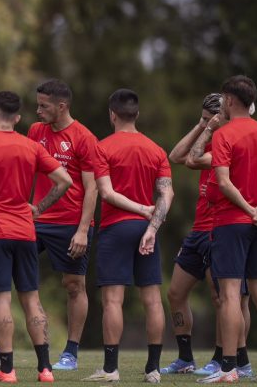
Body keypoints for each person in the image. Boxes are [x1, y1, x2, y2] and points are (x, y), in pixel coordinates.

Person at [0, 91, 72, 383]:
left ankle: (7, 370)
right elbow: (65, 181)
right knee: (32, 299)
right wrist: (38, 208)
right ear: (18, 118)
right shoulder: (30, 146)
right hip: (25, 230)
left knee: (1, 301)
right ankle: (45, 369)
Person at [83, 89, 174, 383]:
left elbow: (106, 193)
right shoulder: (156, 149)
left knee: (112, 301)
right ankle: (153, 370)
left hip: (116, 229)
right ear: (137, 114)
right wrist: (152, 226)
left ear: (112, 114)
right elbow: (166, 193)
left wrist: (141, 210)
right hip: (146, 230)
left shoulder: (102, 148)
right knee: (152, 300)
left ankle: (111, 370)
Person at [162, 93, 253, 378]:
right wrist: (203, 126)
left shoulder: (228, 143)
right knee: (176, 292)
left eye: (209, 117)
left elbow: (192, 160)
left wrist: (212, 129)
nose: (205, 123)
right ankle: (186, 358)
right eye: (202, 118)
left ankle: (232, 359)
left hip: (224, 226)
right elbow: (176, 156)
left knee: (229, 298)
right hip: (199, 229)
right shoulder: (210, 134)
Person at [27, 79, 98, 371]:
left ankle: (70, 352)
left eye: (44, 105)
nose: (38, 110)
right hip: (35, 220)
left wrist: (83, 230)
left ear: (62, 106)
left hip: (71, 223)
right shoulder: (35, 131)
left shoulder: (84, 137)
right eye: (38, 104)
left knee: (73, 285)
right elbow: (25, 169)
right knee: (5, 264)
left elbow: (92, 188)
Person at [197, 76, 257, 384]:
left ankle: (230, 367)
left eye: (222, 99)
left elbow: (222, 181)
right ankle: (238, 366)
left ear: (230, 101)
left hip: (232, 222)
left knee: (231, 294)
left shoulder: (224, 135)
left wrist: (248, 209)